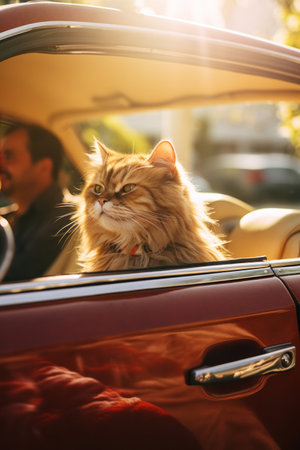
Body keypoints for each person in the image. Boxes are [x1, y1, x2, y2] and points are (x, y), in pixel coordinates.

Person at [0, 123, 74, 282]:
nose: (0, 163)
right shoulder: (12, 216)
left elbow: (14, 278)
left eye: (9, 155)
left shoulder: (65, 217)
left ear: (43, 168)